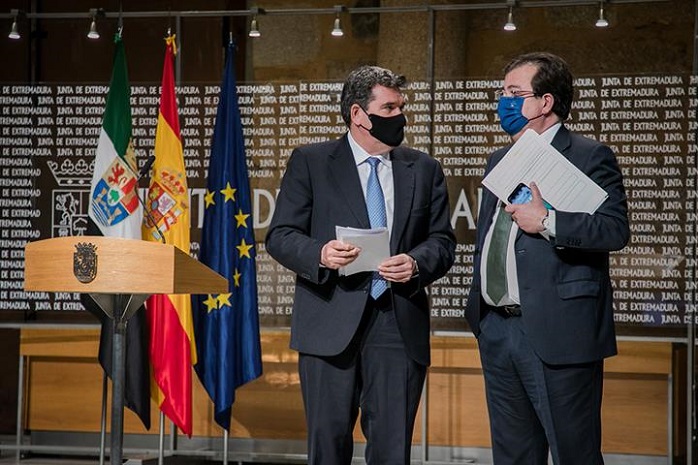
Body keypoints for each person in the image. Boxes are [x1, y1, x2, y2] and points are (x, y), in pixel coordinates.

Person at [266, 65, 456, 465]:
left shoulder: (423, 168)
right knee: (328, 447)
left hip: (396, 323)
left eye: (402, 107)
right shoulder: (311, 162)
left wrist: (416, 264)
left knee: (392, 449)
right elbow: (281, 235)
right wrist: (320, 254)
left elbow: (442, 241)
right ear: (358, 114)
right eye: (389, 108)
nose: (400, 117)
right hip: (328, 322)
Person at [464, 52, 630, 465]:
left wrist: (550, 221)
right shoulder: (499, 159)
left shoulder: (590, 155)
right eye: (502, 92)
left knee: (574, 452)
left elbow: (614, 230)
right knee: (514, 453)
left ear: (545, 102)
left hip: (559, 332)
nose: (503, 102)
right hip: (497, 330)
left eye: (514, 93)